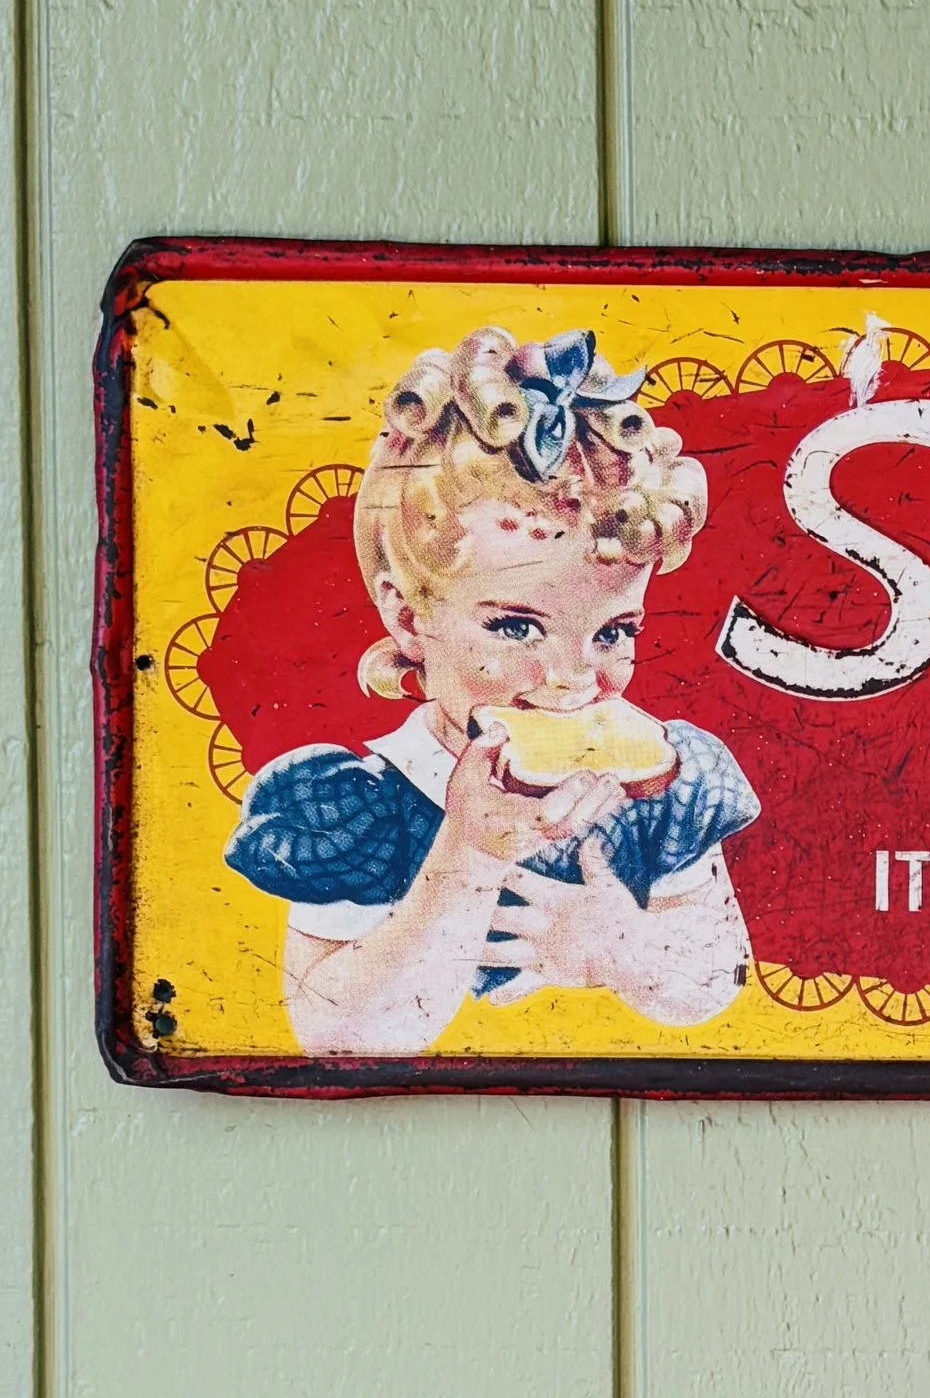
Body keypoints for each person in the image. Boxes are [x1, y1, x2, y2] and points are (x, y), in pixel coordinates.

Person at [226, 325, 760, 1056]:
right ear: (410, 619)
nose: (574, 676)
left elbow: (715, 981)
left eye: (613, 631)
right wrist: (468, 853)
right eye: (516, 627)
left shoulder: (665, 779)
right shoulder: (357, 804)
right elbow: (336, 1036)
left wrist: (624, 951)